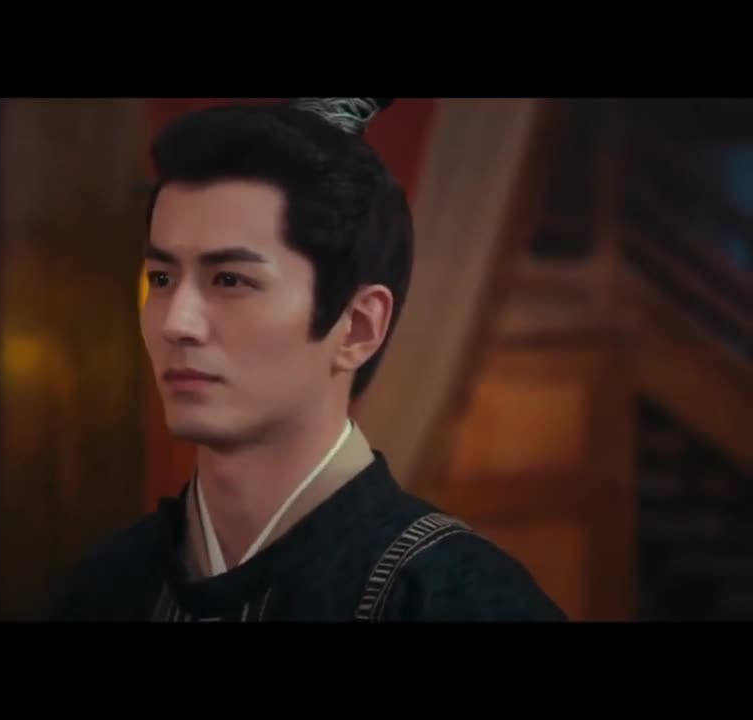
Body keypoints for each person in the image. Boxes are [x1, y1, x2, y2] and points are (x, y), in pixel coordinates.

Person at [47, 97, 567, 622]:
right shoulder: (104, 588)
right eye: (162, 278)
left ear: (357, 327)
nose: (176, 322)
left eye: (230, 280)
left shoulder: (454, 598)